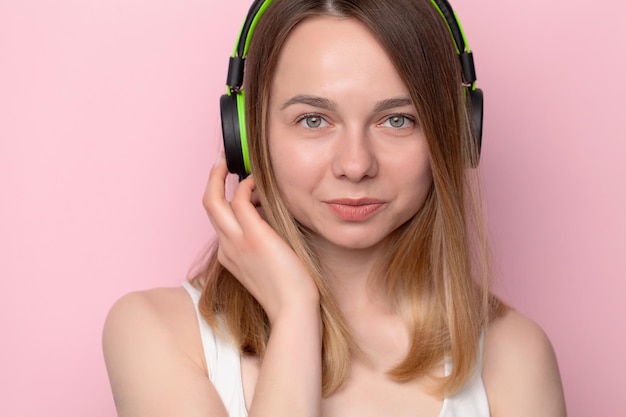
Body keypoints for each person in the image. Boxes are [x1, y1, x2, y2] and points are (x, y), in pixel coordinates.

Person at [102, 0, 567, 416]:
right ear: (246, 135)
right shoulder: (156, 331)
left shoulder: (516, 356)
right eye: (314, 119)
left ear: (455, 134)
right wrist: (294, 314)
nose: (355, 164)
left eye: (398, 119)